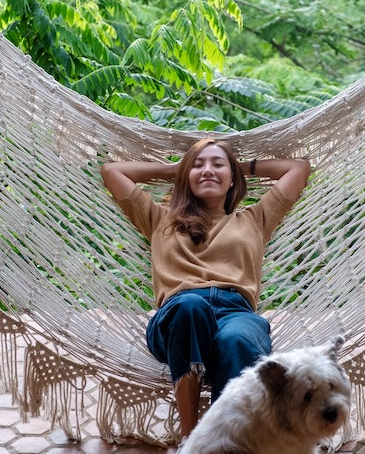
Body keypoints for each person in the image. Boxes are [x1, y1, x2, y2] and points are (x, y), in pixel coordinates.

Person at [101, 138, 311, 438]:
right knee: (192, 307)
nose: (208, 170)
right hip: (178, 318)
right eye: (198, 166)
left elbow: (299, 168)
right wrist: (179, 168)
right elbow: (112, 171)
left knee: (237, 339)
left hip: (235, 314)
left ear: (233, 177)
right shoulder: (160, 218)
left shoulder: (254, 219)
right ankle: (191, 441)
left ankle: (226, 445)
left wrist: (239, 167)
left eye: (217, 165)